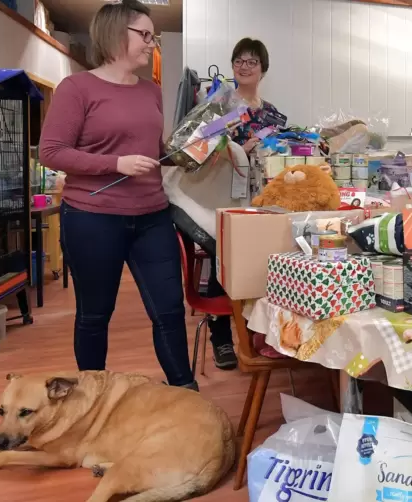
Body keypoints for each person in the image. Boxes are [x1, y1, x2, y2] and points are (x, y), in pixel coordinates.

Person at [39, 0, 198, 390]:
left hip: (152, 216)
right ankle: (91, 399)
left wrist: (187, 155)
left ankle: (185, 394)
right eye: (144, 35)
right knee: (94, 316)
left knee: (170, 311)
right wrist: (116, 164)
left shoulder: (151, 91)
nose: (151, 44)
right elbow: (51, 152)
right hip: (93, 219)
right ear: (114, 35)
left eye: (153, 37)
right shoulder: (77, 88)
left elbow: (152, 148)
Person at [205, 38, 282, 370]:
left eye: (252, 61)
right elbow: (201, 147)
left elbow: (278, 155)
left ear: (263, 69)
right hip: (219, 194)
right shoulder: (220, 105)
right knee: (220, 262)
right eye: (239, 60)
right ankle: (220, 336)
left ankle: (255, 334)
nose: (244, 66)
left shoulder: (272, 114)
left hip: (258, 199)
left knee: (258, 265)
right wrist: (239, 148)